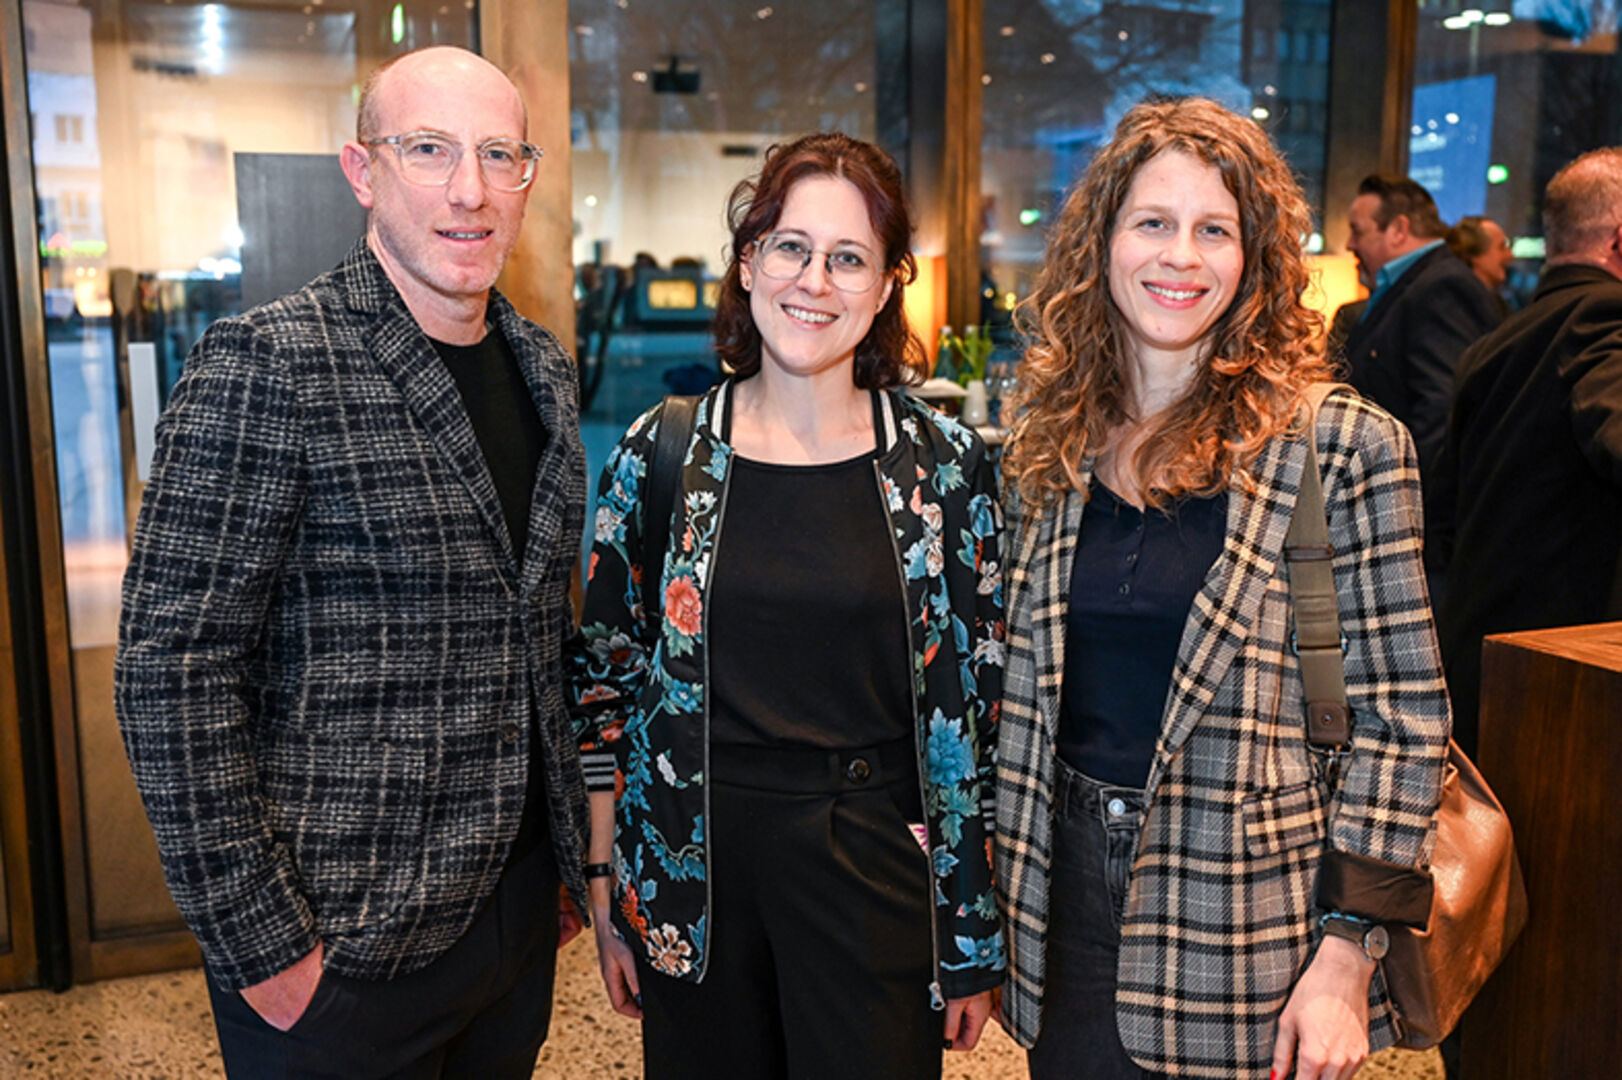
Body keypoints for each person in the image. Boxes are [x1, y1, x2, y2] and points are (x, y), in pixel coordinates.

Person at [115, 46, 589, 1079]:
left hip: (511, 935)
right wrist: (266, 948)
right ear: (362, 170)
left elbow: (538, 634)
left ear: (527, 178)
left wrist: (560, 866)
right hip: (339, 955)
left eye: (494, 154)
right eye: (428, 149)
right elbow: (170, 674)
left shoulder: (542, 366)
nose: (467, 189)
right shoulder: (267, 362)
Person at [995, 97, 1451, 1080]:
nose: (1180, 258)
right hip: (1059, 895)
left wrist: (1342, 957)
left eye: (1214, 230)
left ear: (1254, 258)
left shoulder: (1338, 446)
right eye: (1151, 223)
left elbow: (1399, 720)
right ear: (1101, 239)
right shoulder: (1049, 435)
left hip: (1250, 909)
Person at [570, 132, 1005, 1079]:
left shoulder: (947, 468)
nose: (815, 279)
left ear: (888, 284)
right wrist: (606, 883)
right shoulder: (662, 455)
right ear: (748, 261)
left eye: (848, 257)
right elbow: (603, 685)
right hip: (695, 862)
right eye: (790, 247)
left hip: (877, 862)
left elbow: (975, 712)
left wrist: (967, 929)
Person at [1428, 147, 1622, 759]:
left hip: (1485, 665)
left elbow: (1448, 509)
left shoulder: (1492, 345)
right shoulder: (1605, 315)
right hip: (1572, 688)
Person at [1340, 175, 1499, 481]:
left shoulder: (1441, 287)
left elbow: (1441, 418)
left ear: (1399, 229)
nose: (1350, 244)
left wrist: (1405, 515)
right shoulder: (1411, 284)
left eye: (1357, 231)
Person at [1445, 215, 1515, 320]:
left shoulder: (1497, 304)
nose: (1510, 255)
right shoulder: (1459, 309)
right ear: (1474, 255)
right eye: (1501, 247)